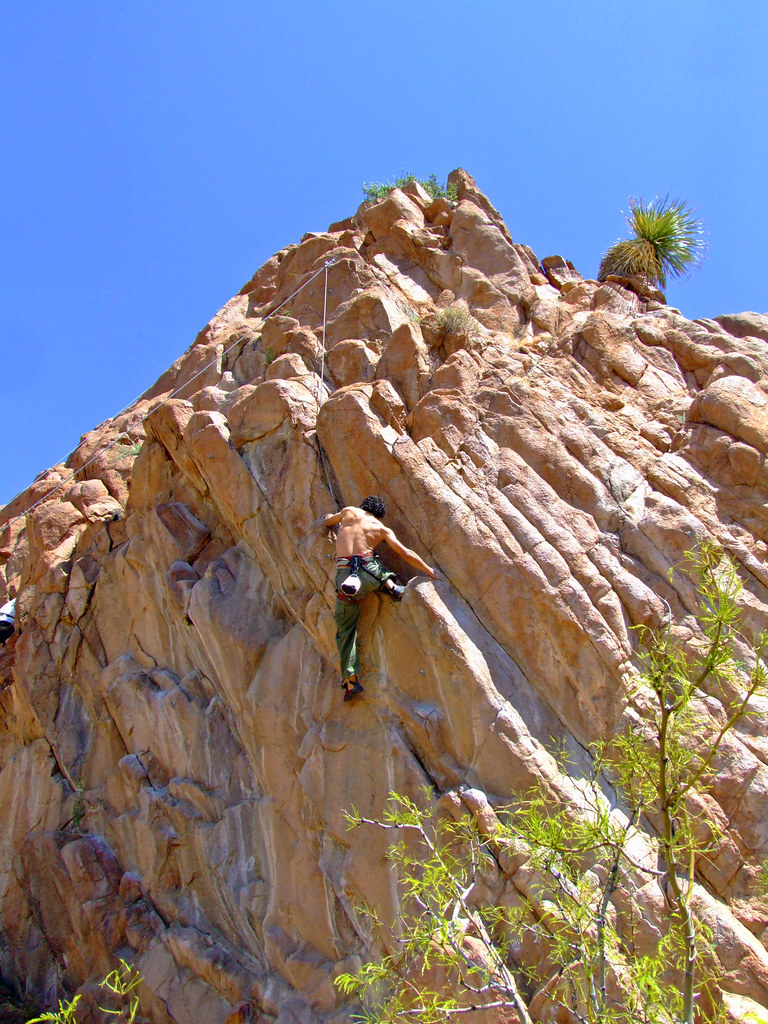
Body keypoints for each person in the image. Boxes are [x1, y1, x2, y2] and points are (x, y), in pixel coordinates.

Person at [321, 496, 437, 702]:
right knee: (373, 563)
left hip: (345, 579)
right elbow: (406, 553)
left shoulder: (349, 511)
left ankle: (351, 681)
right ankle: (391, 586)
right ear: (379, 514)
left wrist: (327, 518)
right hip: (369, 574)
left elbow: (330, 522)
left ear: (364, 506)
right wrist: (429, 570)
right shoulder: (381, 528)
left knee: (346, 631)